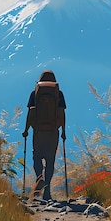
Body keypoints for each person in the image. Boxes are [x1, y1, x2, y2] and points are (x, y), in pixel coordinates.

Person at [22, 69, 66, 201]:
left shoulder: (35, 93)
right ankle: (47, 190)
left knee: (37, 157)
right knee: (50, 159)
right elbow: (61, 114)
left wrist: (26, 130)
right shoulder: (59, 94)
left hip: (38, 131)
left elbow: (30, 114)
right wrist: (63, 131)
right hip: (52, 132)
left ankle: (39, 178)